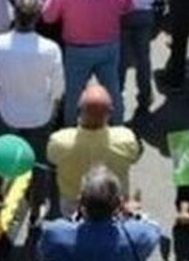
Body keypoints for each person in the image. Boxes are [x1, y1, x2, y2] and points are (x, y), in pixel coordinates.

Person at [0, 0, 64, 214]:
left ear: (14, 15)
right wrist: (52, 113)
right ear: (37, 18)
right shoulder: (50, 49)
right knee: (39, 163)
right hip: (39, 115)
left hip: (7, 113)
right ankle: (36, 208)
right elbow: (58, 90)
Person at [42, 0, 134, 122]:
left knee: (72, 94)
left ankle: (69, 131)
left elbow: (48, 17)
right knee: (113, 90)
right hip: (109, 46)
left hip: (77, 50)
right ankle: (119, 127)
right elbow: (128, 6)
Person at [46, 81, 143, 215]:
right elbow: (134, 157)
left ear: (79, 112)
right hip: (114, 205)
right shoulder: (126, 138)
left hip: (74, 205)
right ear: (109, 114)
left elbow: (52, 159)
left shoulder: (59, 141)